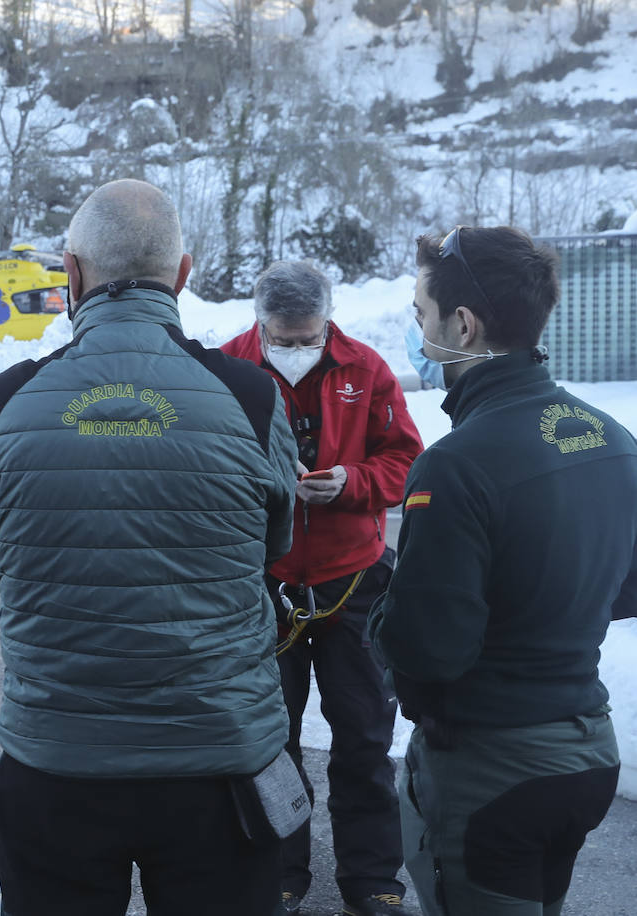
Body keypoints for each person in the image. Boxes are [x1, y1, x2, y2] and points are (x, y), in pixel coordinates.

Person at [0, 179, 301, 915]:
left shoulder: (1, 402)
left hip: (56, 761)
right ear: (182, 276)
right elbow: (272, 542)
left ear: (70, 276)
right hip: (221, 765)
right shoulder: (251, 395)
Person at [369, 226, 637, 915]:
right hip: (587, 751)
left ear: (463, 325)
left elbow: (427, 653)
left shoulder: (455, 466)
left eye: (423, 317)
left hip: (493, 768)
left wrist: (384, 598)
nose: (418, 333)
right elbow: (622, 585)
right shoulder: (612, 438)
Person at [221, 261, 423, 916]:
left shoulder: (365, 369)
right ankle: (280, 873)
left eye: (310, 339)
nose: (299, 350)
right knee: (269, 742)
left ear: (328, 322)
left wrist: (352, 483)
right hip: (266, 583)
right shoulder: (227, 370)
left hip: (351, 579)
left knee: (364, 736)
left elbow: (405, 458)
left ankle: (372, 879)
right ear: (261, 324)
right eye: (287, 339)